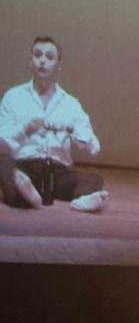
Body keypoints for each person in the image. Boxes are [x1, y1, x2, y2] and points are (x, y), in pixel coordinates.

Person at [0, 36, 108, 212]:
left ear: (59, 66)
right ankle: (26, 194)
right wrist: (24, 130)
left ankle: (82, 201)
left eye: (49, 57)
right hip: (25, 166)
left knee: (93, 179)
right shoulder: (13, 97)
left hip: (57, 172)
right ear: (30, 62)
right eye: (37, 55)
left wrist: (72, 129)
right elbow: (1, 139)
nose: (42, 61)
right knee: (4, 166)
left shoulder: (71, 104)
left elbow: (95, 149)